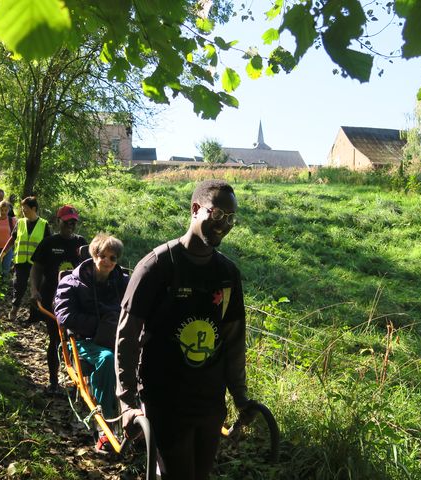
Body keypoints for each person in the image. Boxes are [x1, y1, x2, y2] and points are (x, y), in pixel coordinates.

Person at [115, 179, 253, 480]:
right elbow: (126, 338)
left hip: (209, 402)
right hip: (165, 400)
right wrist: (126, 401)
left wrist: (240, 397)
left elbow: (233, 340)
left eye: (230, 218)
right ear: (195, 209)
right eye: (217, 215)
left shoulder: (227, 274)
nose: (224, 224)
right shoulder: (156, 267)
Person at [54, 233, 128, 453]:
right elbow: (65, 317)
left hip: (117, 338)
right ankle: (105, 428)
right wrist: (101, 325)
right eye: (103, 255)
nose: (107, 261)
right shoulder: (73, 282)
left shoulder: (122, 282)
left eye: (112, 258)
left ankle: (140, 423)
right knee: (106, 360)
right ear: (94, 254)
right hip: (84, 342)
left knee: (145, 358)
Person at [30, 205, 87, 394]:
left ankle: (80, 383)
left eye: (73, 222)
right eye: (66, 222)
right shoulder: (48, 243)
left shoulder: (81, 244)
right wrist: (34, 290)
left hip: (77, 300)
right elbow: (36, 268)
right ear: (58, 221)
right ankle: (54, 382)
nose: (70, 225)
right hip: (51, 299)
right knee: (55, 338)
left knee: (77, 339)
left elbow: (89, 269)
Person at [0, 196, 51, 321]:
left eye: (26, 209)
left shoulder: (44, 225)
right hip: (21, 262)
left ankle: (33, 316)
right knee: (18, 286)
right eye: (22, 209)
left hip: (37, 264)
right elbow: (12, 239)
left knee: (36, 289)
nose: (23, 211)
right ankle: (13, 311)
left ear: (33, 208)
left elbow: (48, 245)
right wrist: (2, 254)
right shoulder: (20, 222)